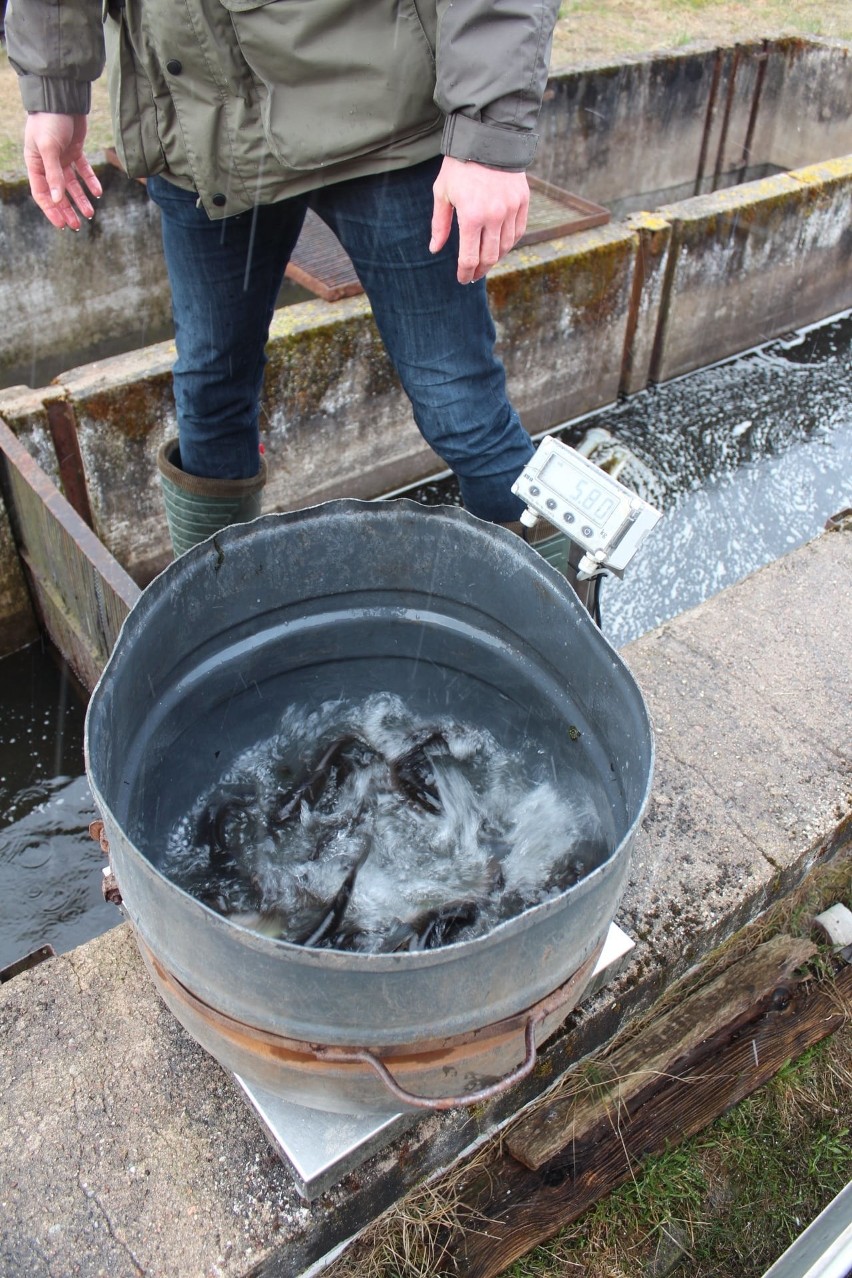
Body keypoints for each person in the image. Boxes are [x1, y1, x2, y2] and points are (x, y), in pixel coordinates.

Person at [6, 0, 563, 557]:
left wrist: (488, 137)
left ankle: (554, 630)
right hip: (198, 126)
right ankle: (222, 621)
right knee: (209, 391)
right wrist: (53, 85)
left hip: (380, 116)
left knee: (463, 406)